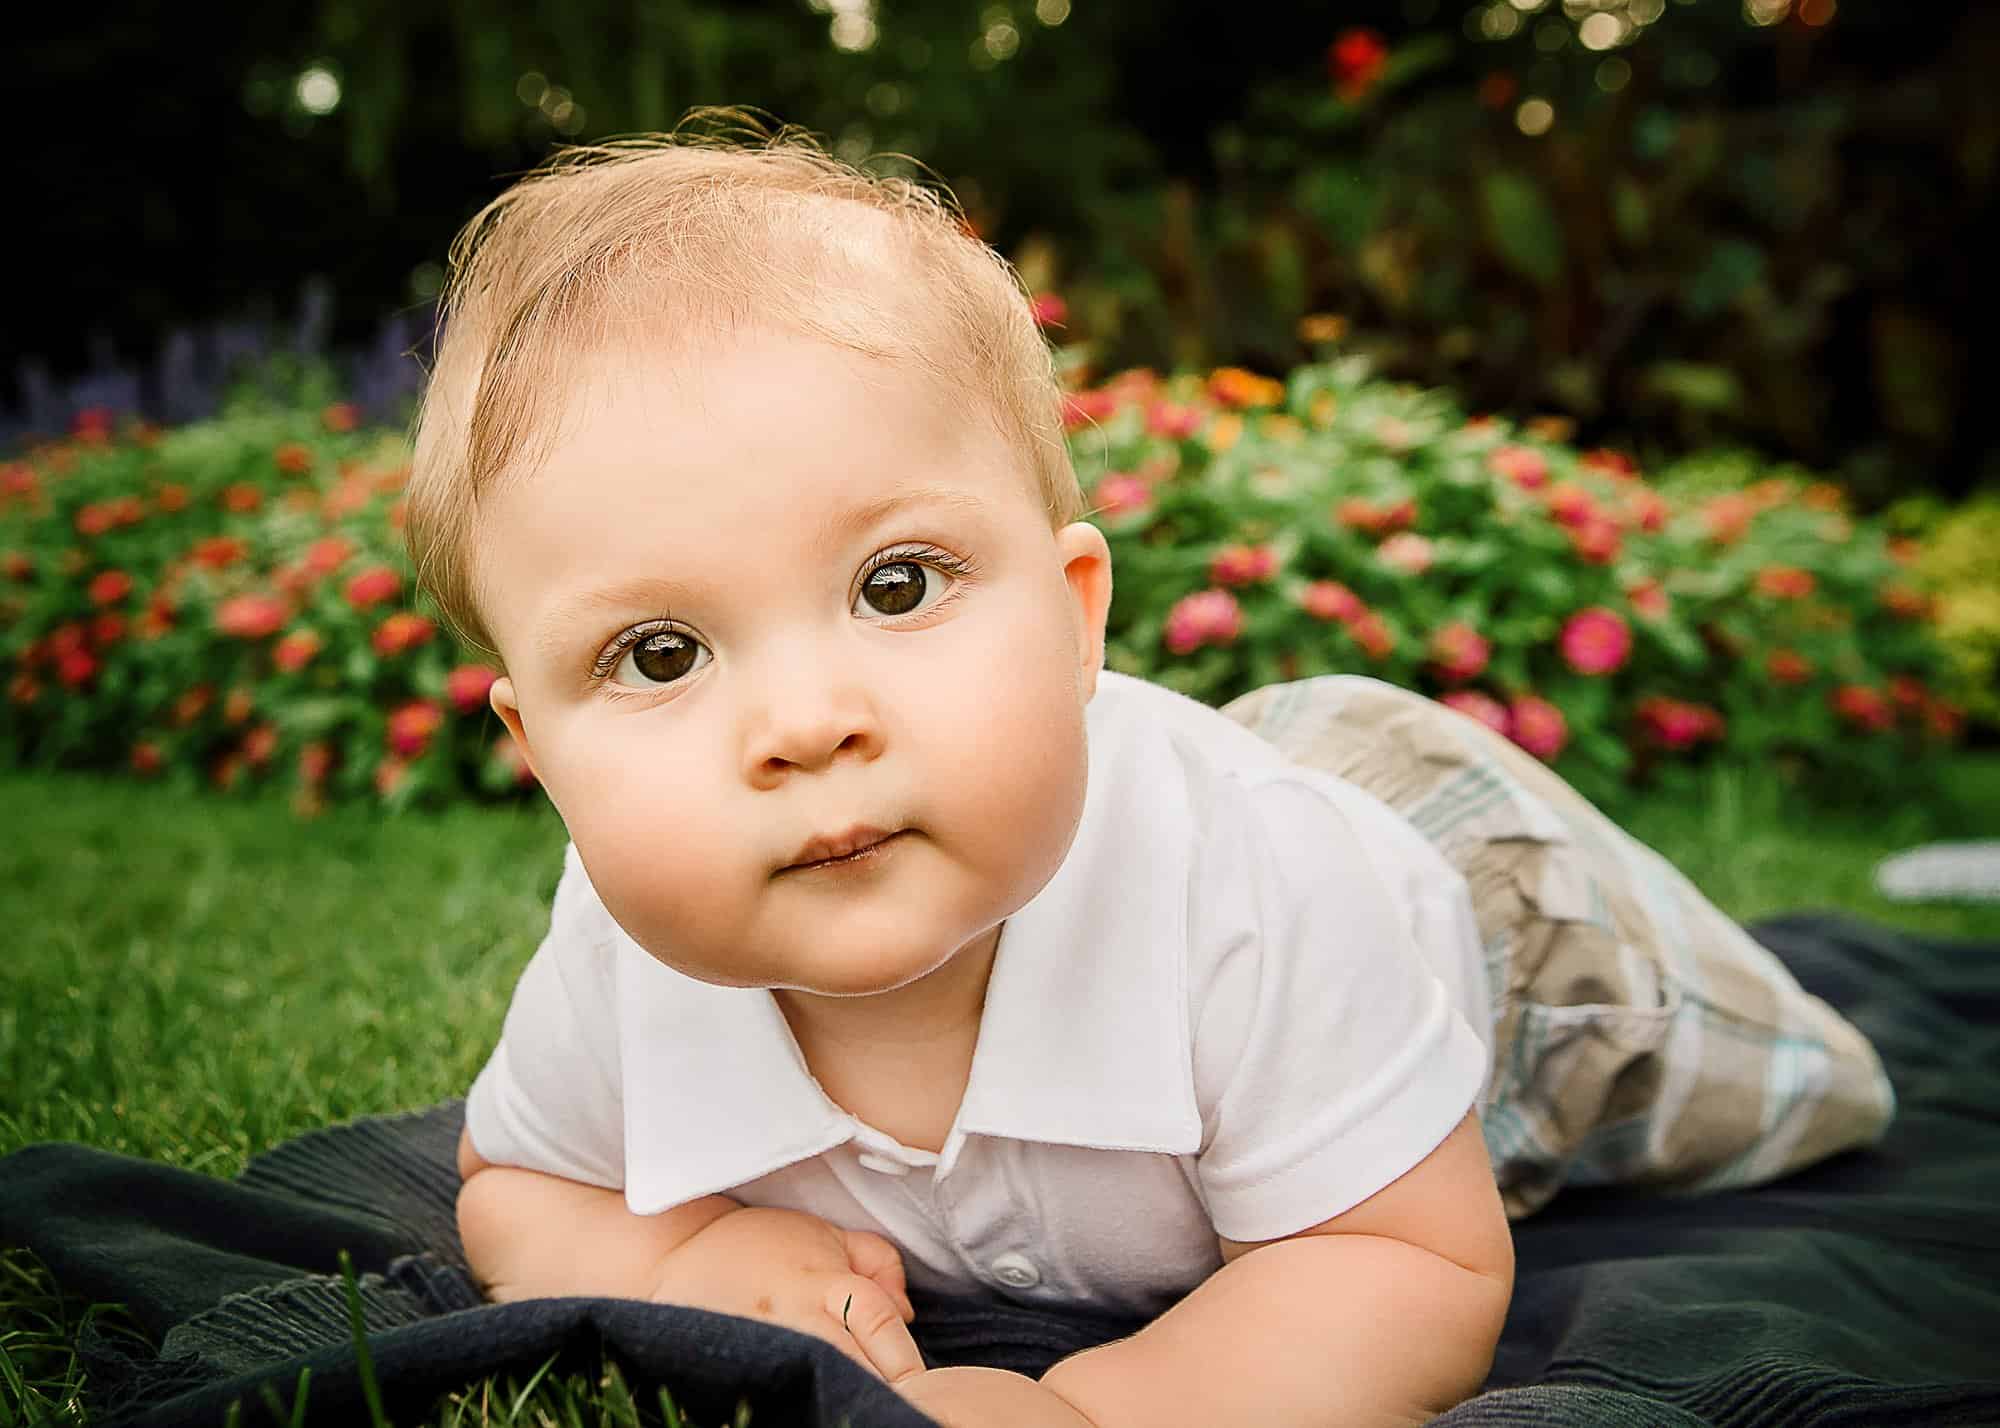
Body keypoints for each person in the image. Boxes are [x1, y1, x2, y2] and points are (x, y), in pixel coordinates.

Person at [401, 112, 1885, 1428]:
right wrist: (683, 1253)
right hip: (1235, 824)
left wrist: (1103, 1408)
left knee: (1794, 1096)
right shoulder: (617, 958)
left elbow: (1402, 1259)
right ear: (539, 758)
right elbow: (520, 1189)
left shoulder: (1260, 902)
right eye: (661, 655)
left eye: (899, 584)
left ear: (1076, 613)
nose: (804, 723)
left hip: (1480, 903)